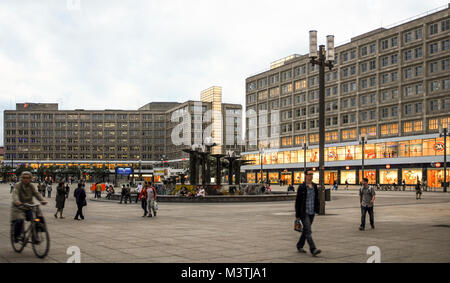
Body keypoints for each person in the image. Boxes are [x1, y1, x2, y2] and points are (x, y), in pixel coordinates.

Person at [11, 172, 48, 243]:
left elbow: (36, 194)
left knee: (37, 219)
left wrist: (42, 200)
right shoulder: (17, 185)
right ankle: (16, 235)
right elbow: (15, 194)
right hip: (19, 207)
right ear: (21, 178)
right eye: (24, 178)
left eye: (27, 178)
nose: (26, 180)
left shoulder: (31, 186)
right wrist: (17, 201)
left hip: (29, 207)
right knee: (20, 220)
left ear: (30, 179)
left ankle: (35, 235)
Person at [295, 170, 321, 256]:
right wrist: (297, 215)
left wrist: (318, 208)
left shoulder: (314, 186)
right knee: (308, 231)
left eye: (312, 174)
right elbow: (298, 202)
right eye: (309, 174)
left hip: (312, 211)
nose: (311, 176)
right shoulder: (302, 187)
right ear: (305, 175)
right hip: (304, 212)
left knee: (305, 230)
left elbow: (316, 198)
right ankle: (313, 249)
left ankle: (299, 245)